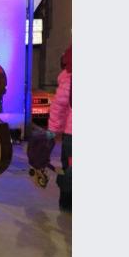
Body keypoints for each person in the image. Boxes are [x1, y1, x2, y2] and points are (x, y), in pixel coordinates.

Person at [47, 46, 72, 212]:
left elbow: (59, 105)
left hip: (72, 133)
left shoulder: (69, 75)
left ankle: (67, 202)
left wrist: (53, 129)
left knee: (68, 166)